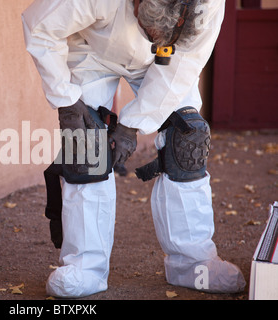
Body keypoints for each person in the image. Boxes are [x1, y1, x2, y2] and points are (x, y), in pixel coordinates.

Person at [22, 0, 246, 298]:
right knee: (87, 143)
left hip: (169, 58)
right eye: (148, 30)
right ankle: (86, 268)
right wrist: (65, 99)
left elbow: (186, 62)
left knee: (187, 136)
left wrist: (131, 125)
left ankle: (194, 264)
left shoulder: (209, 6)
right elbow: (39, 27)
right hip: (92, 50)